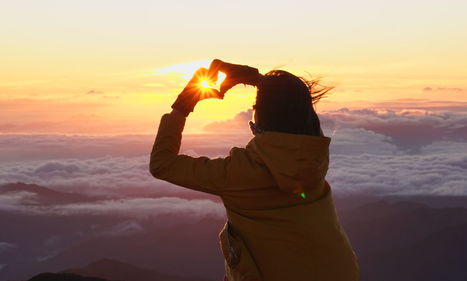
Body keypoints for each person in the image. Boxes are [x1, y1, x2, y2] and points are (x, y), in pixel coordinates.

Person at [149, 59, 359, 281]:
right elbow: (293, 104)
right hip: (339, 271)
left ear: (261, 120)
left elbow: (162, 164)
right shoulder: (313, 156)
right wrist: (259, 80)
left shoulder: (238, 173)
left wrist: (183, 105)